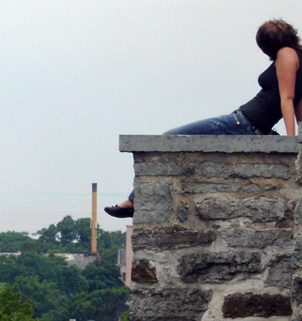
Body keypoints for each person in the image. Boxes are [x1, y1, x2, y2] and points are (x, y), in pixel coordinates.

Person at [104, 19, 302, 219]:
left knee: (169, 138)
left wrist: (291, 143)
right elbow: (297, 104)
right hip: (250, 125)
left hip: (243, 123)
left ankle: (132, 202)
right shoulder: (299, 58)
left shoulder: (285, 54)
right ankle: (133, 200)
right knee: (171, 141)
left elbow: (288, 99)